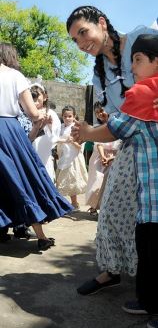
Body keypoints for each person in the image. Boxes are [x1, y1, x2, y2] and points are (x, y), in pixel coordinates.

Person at [72, 34, 158, 328]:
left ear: (157, 62)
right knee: (151, 246)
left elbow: (115, 129)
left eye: (137, 60)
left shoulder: (144, 94)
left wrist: (85, 132)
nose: (132, 66)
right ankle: (154, 302)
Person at [0, 42, 73, 250]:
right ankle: (40, 236)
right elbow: (32, 113)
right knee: (25, 180)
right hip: (8, 131)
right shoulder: (15, 76)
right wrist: (42, 116)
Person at [85, 102, 121, 215]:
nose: (100, 114)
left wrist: (112, 157)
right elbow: (99, 143)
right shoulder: (96, 128)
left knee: (108, 183)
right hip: (98, 158)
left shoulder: (116, 125)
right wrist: (103, 156)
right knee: (96, 181)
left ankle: (105, 207)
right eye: (97, 112)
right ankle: (93, 206)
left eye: (102, 111)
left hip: (113, 157)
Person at [56, 105, 88, 209]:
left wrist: (72, 141)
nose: (67, 118)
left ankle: (74, 203)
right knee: (62, 181)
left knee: (72, 181)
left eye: (70, 116)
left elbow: (80, 146)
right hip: (63, 157)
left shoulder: (77, 128)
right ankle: (63, 203)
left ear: (74, 116)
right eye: (65, 116)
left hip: (73, 159)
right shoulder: (60, 127)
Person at [31, 83, 61, 182]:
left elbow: (55, 136)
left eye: (37, 95)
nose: (34, 98)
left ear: (45, 97)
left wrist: (49, 124)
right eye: (31, 96)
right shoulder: (26, 113)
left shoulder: (51, 113)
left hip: (45, 155)